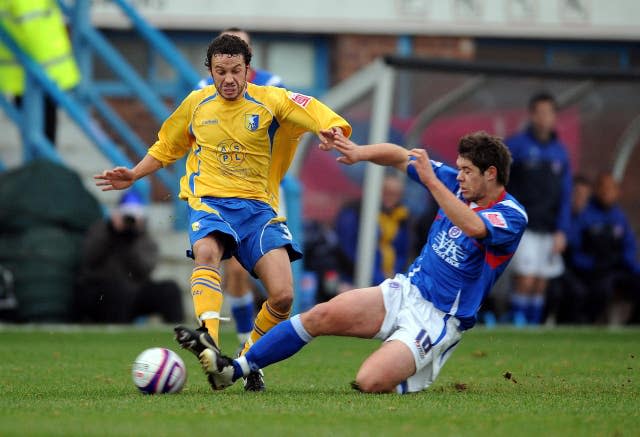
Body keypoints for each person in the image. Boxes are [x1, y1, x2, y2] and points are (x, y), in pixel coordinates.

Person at [95, 34, 351, 391]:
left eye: (235, 71)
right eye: (220, 72)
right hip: (210, 201)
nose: (228, 79)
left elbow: (311, 109)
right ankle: (209, 339)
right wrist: (135, 173)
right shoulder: (196, 103)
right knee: (207, 252)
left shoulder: (271, 100)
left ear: (248, 70)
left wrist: (333, 128)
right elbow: (167, 145)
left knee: (283, 296)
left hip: (259, 209)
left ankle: (245, 360)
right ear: (210, 72)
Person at [198, 131, 527, 394]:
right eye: (460, 169)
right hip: (407, 290)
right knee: (319, 315)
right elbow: (400, 156)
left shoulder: (511, 215)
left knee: (369, 381)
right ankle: (234, 369)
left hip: (439, 317)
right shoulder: (457, 184)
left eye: (468, 171)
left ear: (491, 174)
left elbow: (473, 227)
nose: (461, 177)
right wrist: (359, 152)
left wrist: (432, 182)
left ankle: (419, 361)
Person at [195, 27, 285, 351]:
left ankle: (249, 347)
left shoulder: (272, 87)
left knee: (279, 284)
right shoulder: (204, 90)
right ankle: (239, 342)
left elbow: (288, 126)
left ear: (248, 57)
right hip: (222, 191)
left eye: (240, 49)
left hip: (263, 192)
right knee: (233, 270)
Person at [506, 92, 572, 325]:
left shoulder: (560, 151)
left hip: (549, 226)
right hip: (523, 224)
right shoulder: (516, 145)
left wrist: (562, 230)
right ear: (532, 115)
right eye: (540, 112)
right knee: (525, 278)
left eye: (549, 112)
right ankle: (517, 324)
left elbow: (565, 194)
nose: (545, 117)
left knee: (541, 282)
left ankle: (532, 329)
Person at [74, 191, 184, 323]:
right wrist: (112, 232)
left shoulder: (143, 237)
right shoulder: (102, 230)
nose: (128, 221)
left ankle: (177, 333)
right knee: (118, 290)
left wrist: (131, 238)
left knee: (169, 290)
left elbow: (144, 269)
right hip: (102, 292)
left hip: (133, 291)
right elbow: (89, 258)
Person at [0, 0, 80, 146]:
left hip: (35, 73)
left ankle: (42, 163)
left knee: (37, 131)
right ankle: (42, 164)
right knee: (41, 133)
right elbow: (33, 35)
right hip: (40, 74)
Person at [566, 172, 639, 325]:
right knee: (601, 289)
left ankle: (632, 326)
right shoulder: (585, 214)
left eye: (611, 188)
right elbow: (574, 247)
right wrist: (592, 265)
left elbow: (629, 246)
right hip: (591, 270)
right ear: (596, 190)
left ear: (618, 192)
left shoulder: (619, 217)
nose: (606, 192)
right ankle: (586, 323)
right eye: (603, 188)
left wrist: (629, 266)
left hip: (615, 269)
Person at [334, 174, 410, 287]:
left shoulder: (402, 216)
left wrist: (394, 274)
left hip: (389, 279)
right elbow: (348, 249)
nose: (391, 197)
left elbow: (402, 251)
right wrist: (377, 277)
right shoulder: (355, 212)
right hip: (353, 278)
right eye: (386, 192)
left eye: (396, 194)